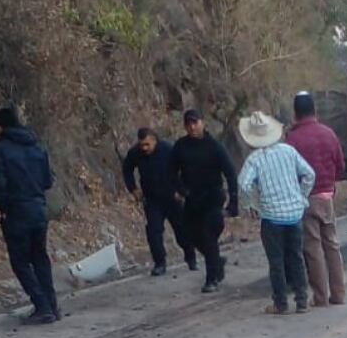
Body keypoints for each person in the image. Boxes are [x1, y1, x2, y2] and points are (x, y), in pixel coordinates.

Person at [0, 107, 60, 325]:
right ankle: (52, 305)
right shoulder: (37, 147)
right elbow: (48, 181)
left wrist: (5, 208)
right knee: (40, 257)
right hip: (39, 208)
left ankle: (42, 305)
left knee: (20, 261)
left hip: (17, 211)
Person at [237, 111, 315, 315]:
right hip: (294, 214)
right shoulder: (289, 151)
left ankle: (281, 303)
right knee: (296, 258)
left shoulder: (255, 159)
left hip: (271, 217)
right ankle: (302, 300)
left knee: (276, 262)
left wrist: (252, 205)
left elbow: (243, 184)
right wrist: (301, 196)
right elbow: (309, 174)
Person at [284, 92, 347, 307]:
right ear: (315, 110)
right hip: (327, 197)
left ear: (295, 113)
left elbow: (289, 173)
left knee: (313, 248)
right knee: (332, 245)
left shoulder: (292, 139)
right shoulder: (329, 134)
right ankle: (338, 294)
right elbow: (341, 167)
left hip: (306, 199)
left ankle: (320, 297)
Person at [167, 109, 239, 293]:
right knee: (189, 236)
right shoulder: (181, 146)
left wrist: (233, 202)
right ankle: (215, 261)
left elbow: (230, 173)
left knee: (208, 237)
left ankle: (211, 279)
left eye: (195, 122)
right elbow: (170, 172)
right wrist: (180, 190)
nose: (192, 127)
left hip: (213, 198)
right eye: (188, 124)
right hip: (192, 199)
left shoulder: (214, 146)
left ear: (202, 123)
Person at [123, 127, 194, 276]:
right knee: (154, 232)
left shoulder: (168, 150)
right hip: (152, 199)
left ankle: (190, 255)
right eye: (142, 145)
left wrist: (181, 191)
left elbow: (185, 169)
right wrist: (133, 189)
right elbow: (127, 169)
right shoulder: (136, 153)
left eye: (147, 145)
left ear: (155, 141)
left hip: (171, 197)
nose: (145, 148)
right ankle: (159, 263)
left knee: (182, 230)